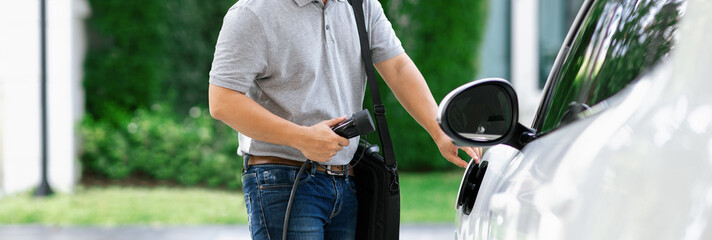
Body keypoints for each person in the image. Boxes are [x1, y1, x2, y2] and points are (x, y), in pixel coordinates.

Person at [208, 0, 482, 239]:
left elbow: (397, 67)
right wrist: (301, 138)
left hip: (346, 179)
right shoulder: (253, 13)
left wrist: (439, 129)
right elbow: (222, 101)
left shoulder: (361, 6)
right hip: (282, 180)